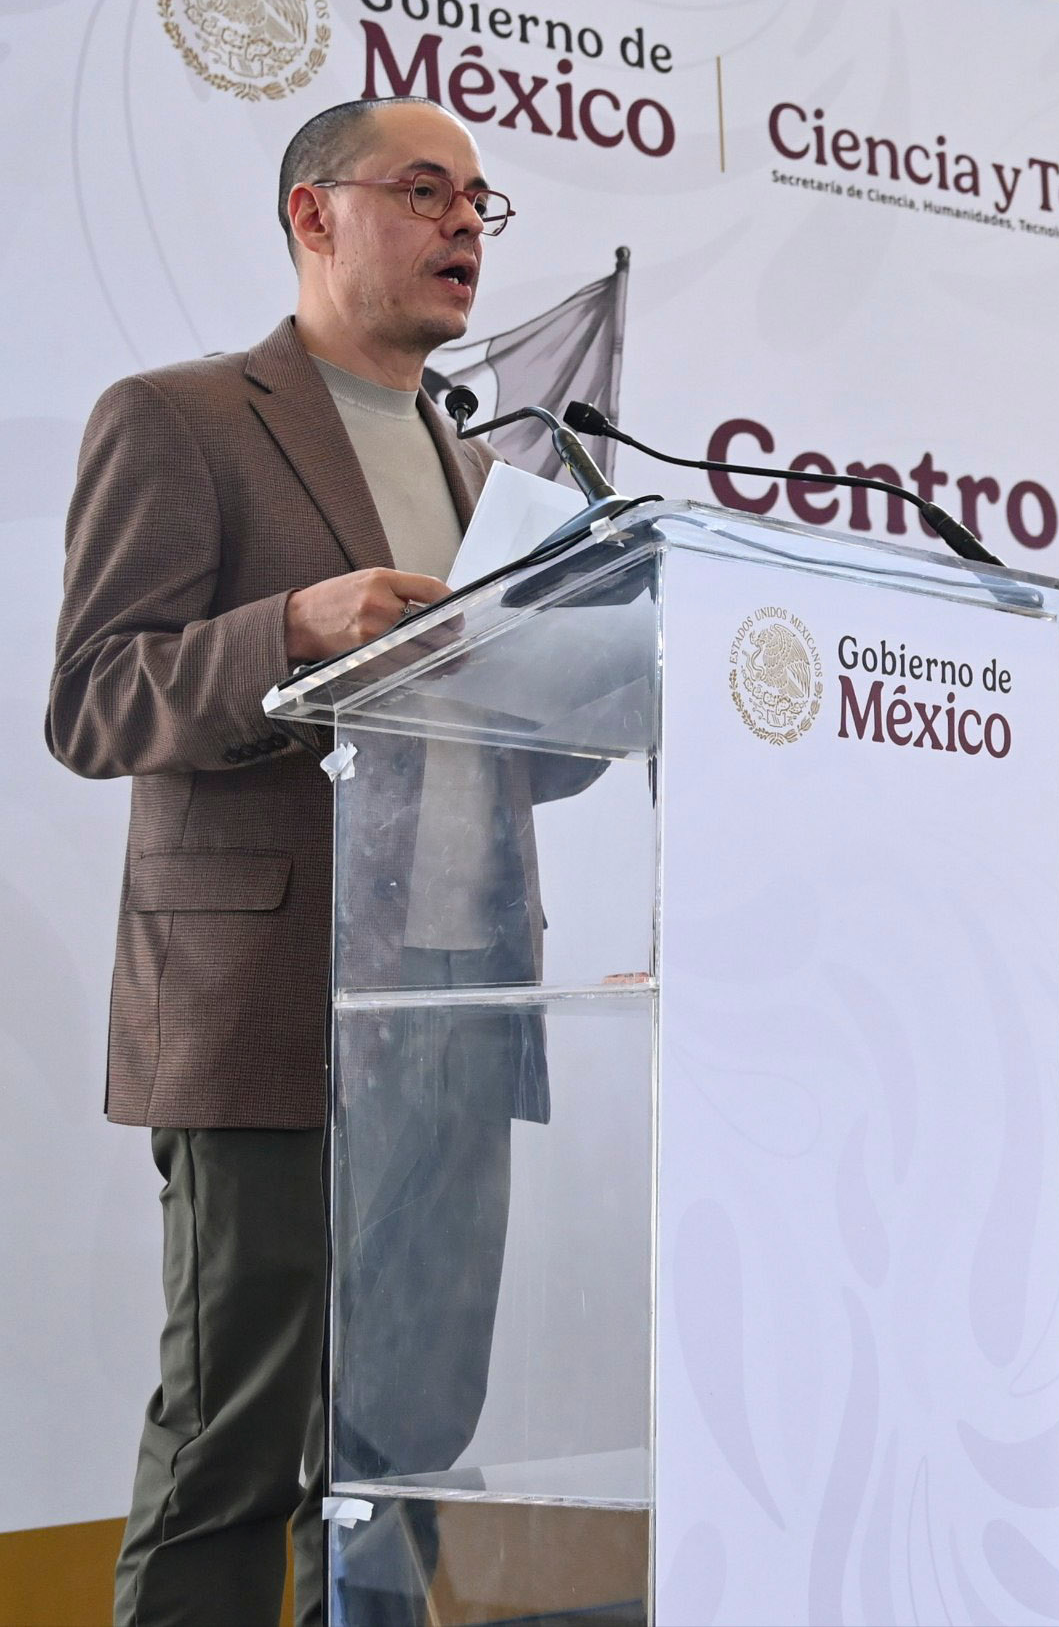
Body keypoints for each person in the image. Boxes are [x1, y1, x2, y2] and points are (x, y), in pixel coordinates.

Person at [48, 97, 526, 1627]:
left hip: (467, 1000)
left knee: (411, 1447)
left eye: (479, 203)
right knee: (237, 1437)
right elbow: (95, 700)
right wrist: (293, 631)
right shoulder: (179, 416)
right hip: (275, 1002)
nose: (465, 224)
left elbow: (509, 746)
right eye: (426, 191)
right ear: (314, 215)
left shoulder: (489, 475)